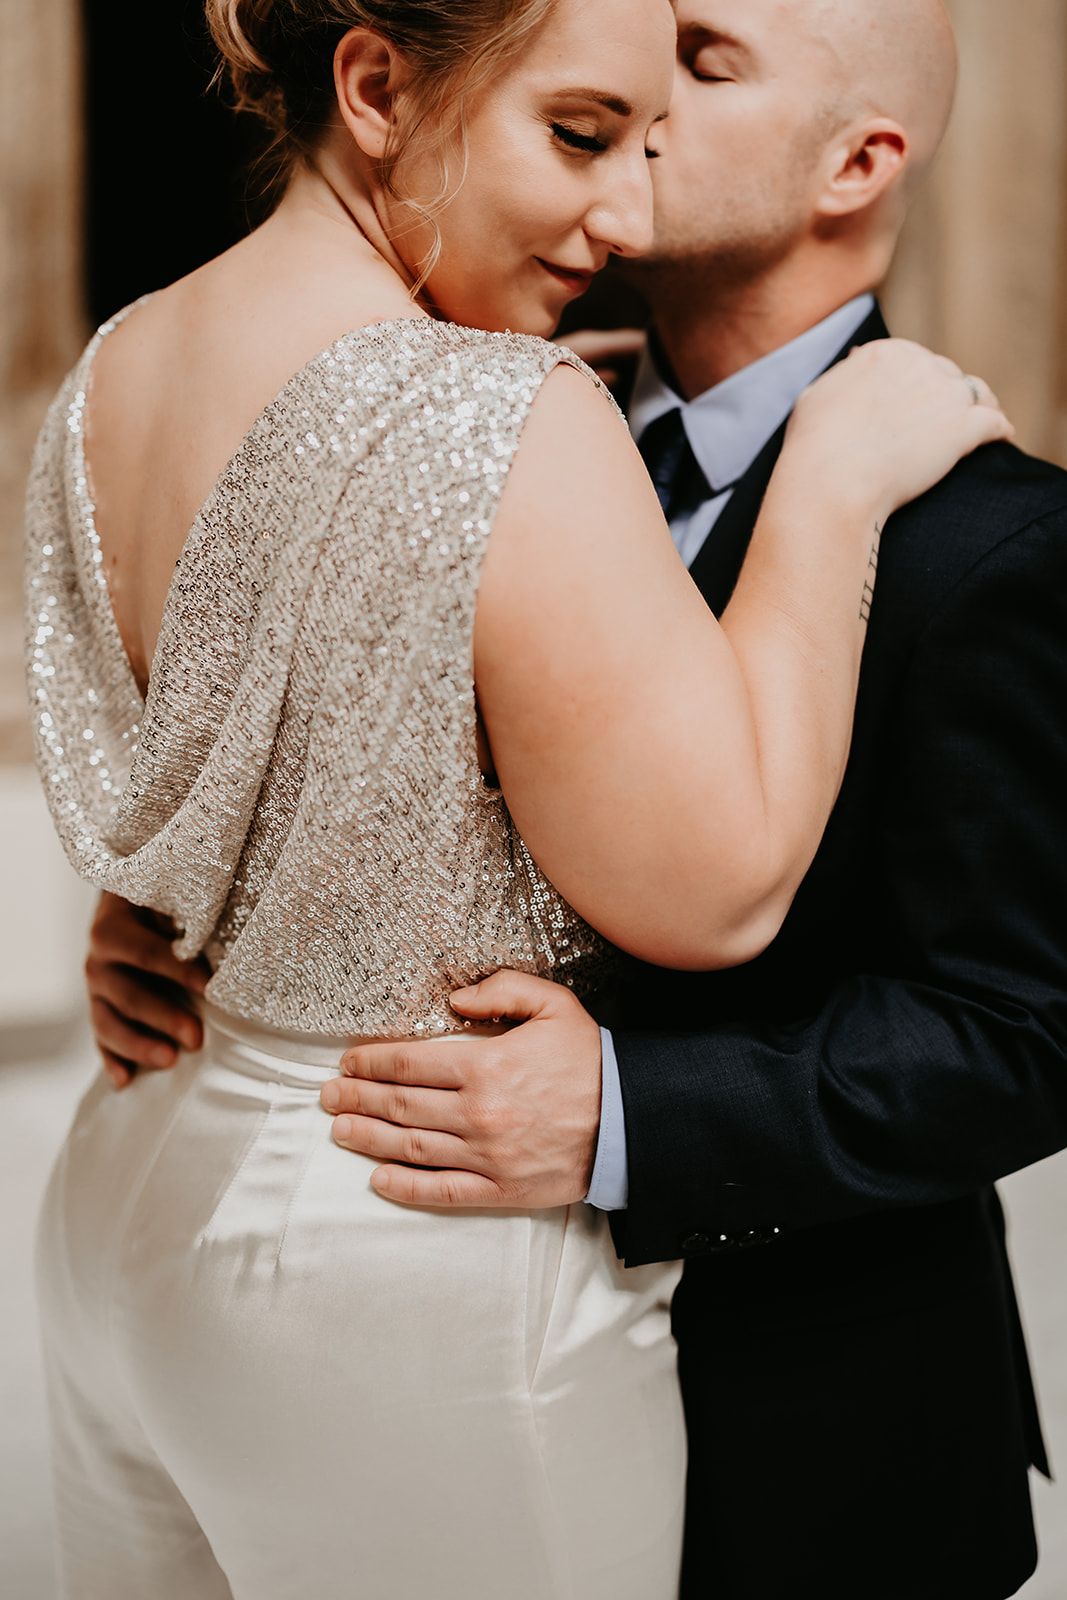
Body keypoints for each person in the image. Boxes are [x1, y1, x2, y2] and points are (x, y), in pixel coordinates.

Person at [42, 0, 1009, 1596]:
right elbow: (718, 891)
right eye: (580, 133)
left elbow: (237, 738)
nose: (624, 206)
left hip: (130, 1189)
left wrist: (166, 910)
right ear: (374, 87)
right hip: (401, 1257)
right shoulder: (500, 410)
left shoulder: (115, 363)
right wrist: (832, 485)